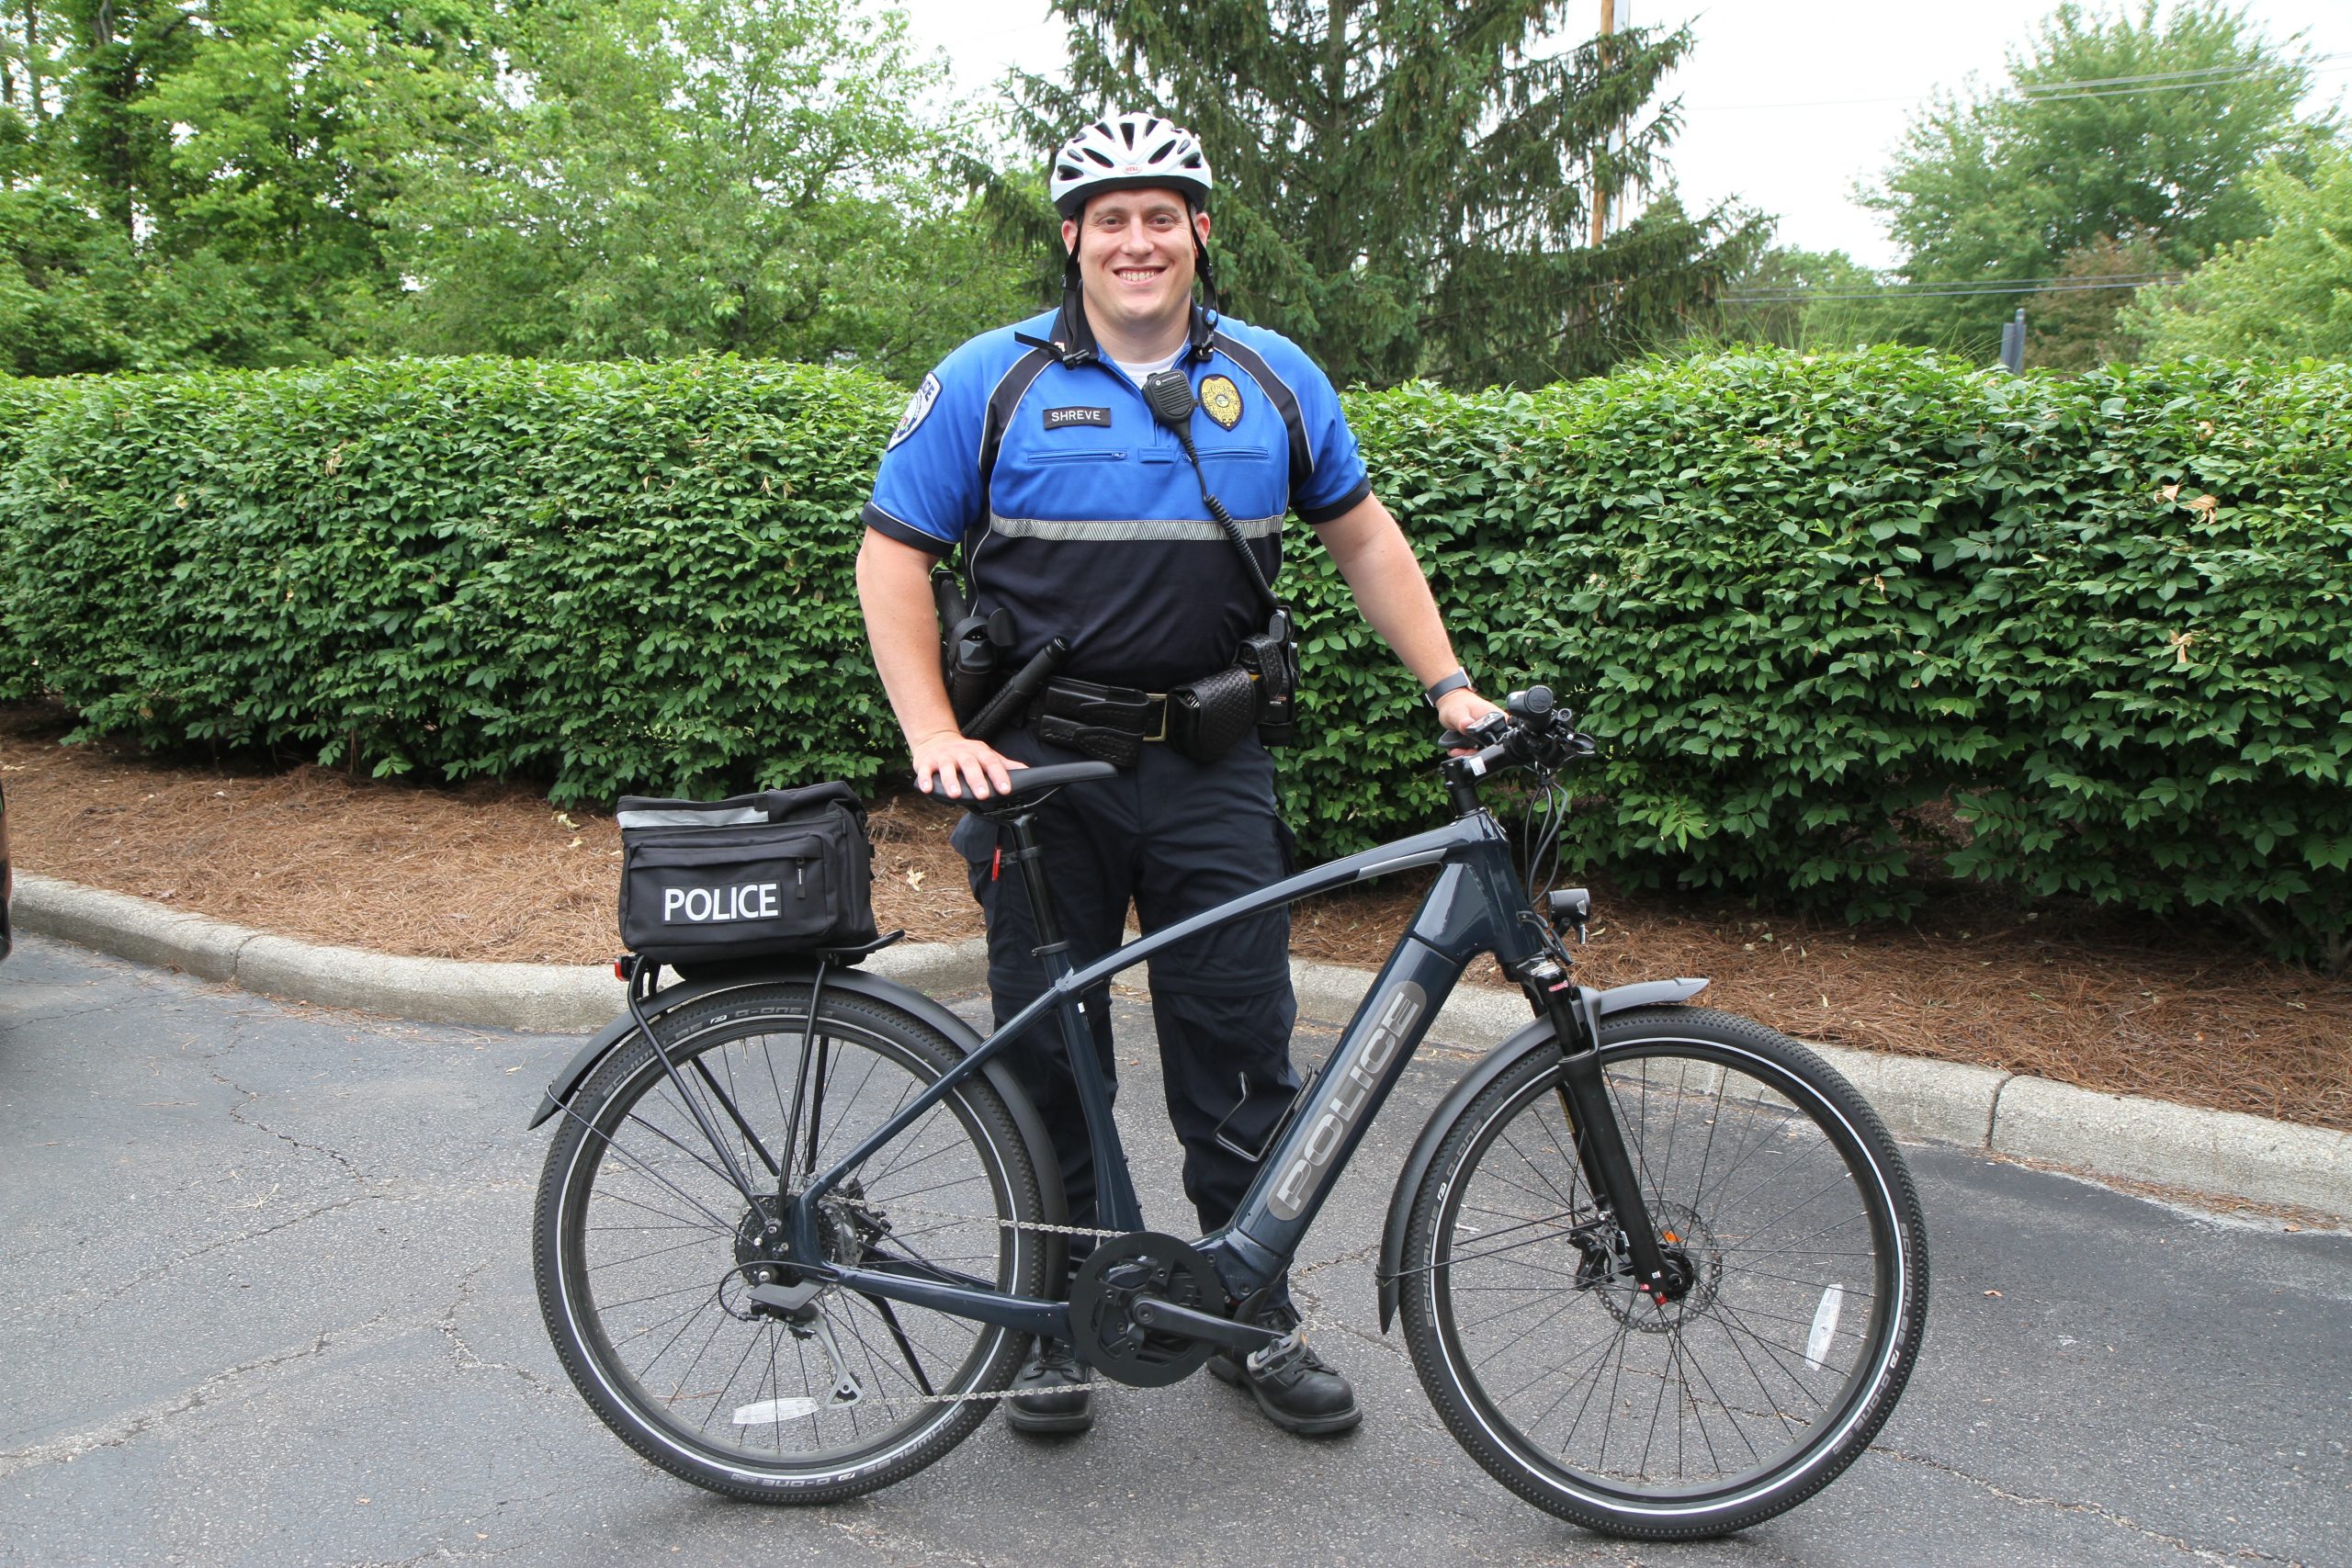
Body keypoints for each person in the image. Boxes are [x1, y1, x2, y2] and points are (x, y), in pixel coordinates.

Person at [854, 110, 1498, 1439]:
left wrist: (1450, 686)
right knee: (1048, 1049)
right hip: (1039, 776)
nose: (1137, 239)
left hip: (1212, 766)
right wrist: (933, 732)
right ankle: (1054, 1316)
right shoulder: (993, 379)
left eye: (1163, 214)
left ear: (1201, 232)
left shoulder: (1270, 379)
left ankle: (1239, 1312)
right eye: (1110, 217)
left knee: (1239, 1039)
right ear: (1074, 239)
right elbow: (891, 555)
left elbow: (1363, 535)